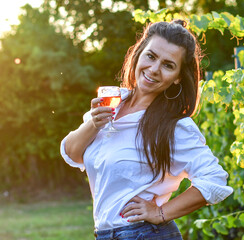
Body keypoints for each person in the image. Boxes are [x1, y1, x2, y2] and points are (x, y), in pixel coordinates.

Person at [60, 19, 233, 240]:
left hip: (145, 234)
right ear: (138, 54)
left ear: (178, 77)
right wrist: (93, 124)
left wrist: (160, 213)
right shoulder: (111, 104)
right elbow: (72, 153)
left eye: (168, 65)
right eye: (150, 57)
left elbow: (214, 179)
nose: (154, 69)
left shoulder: (174, 126)